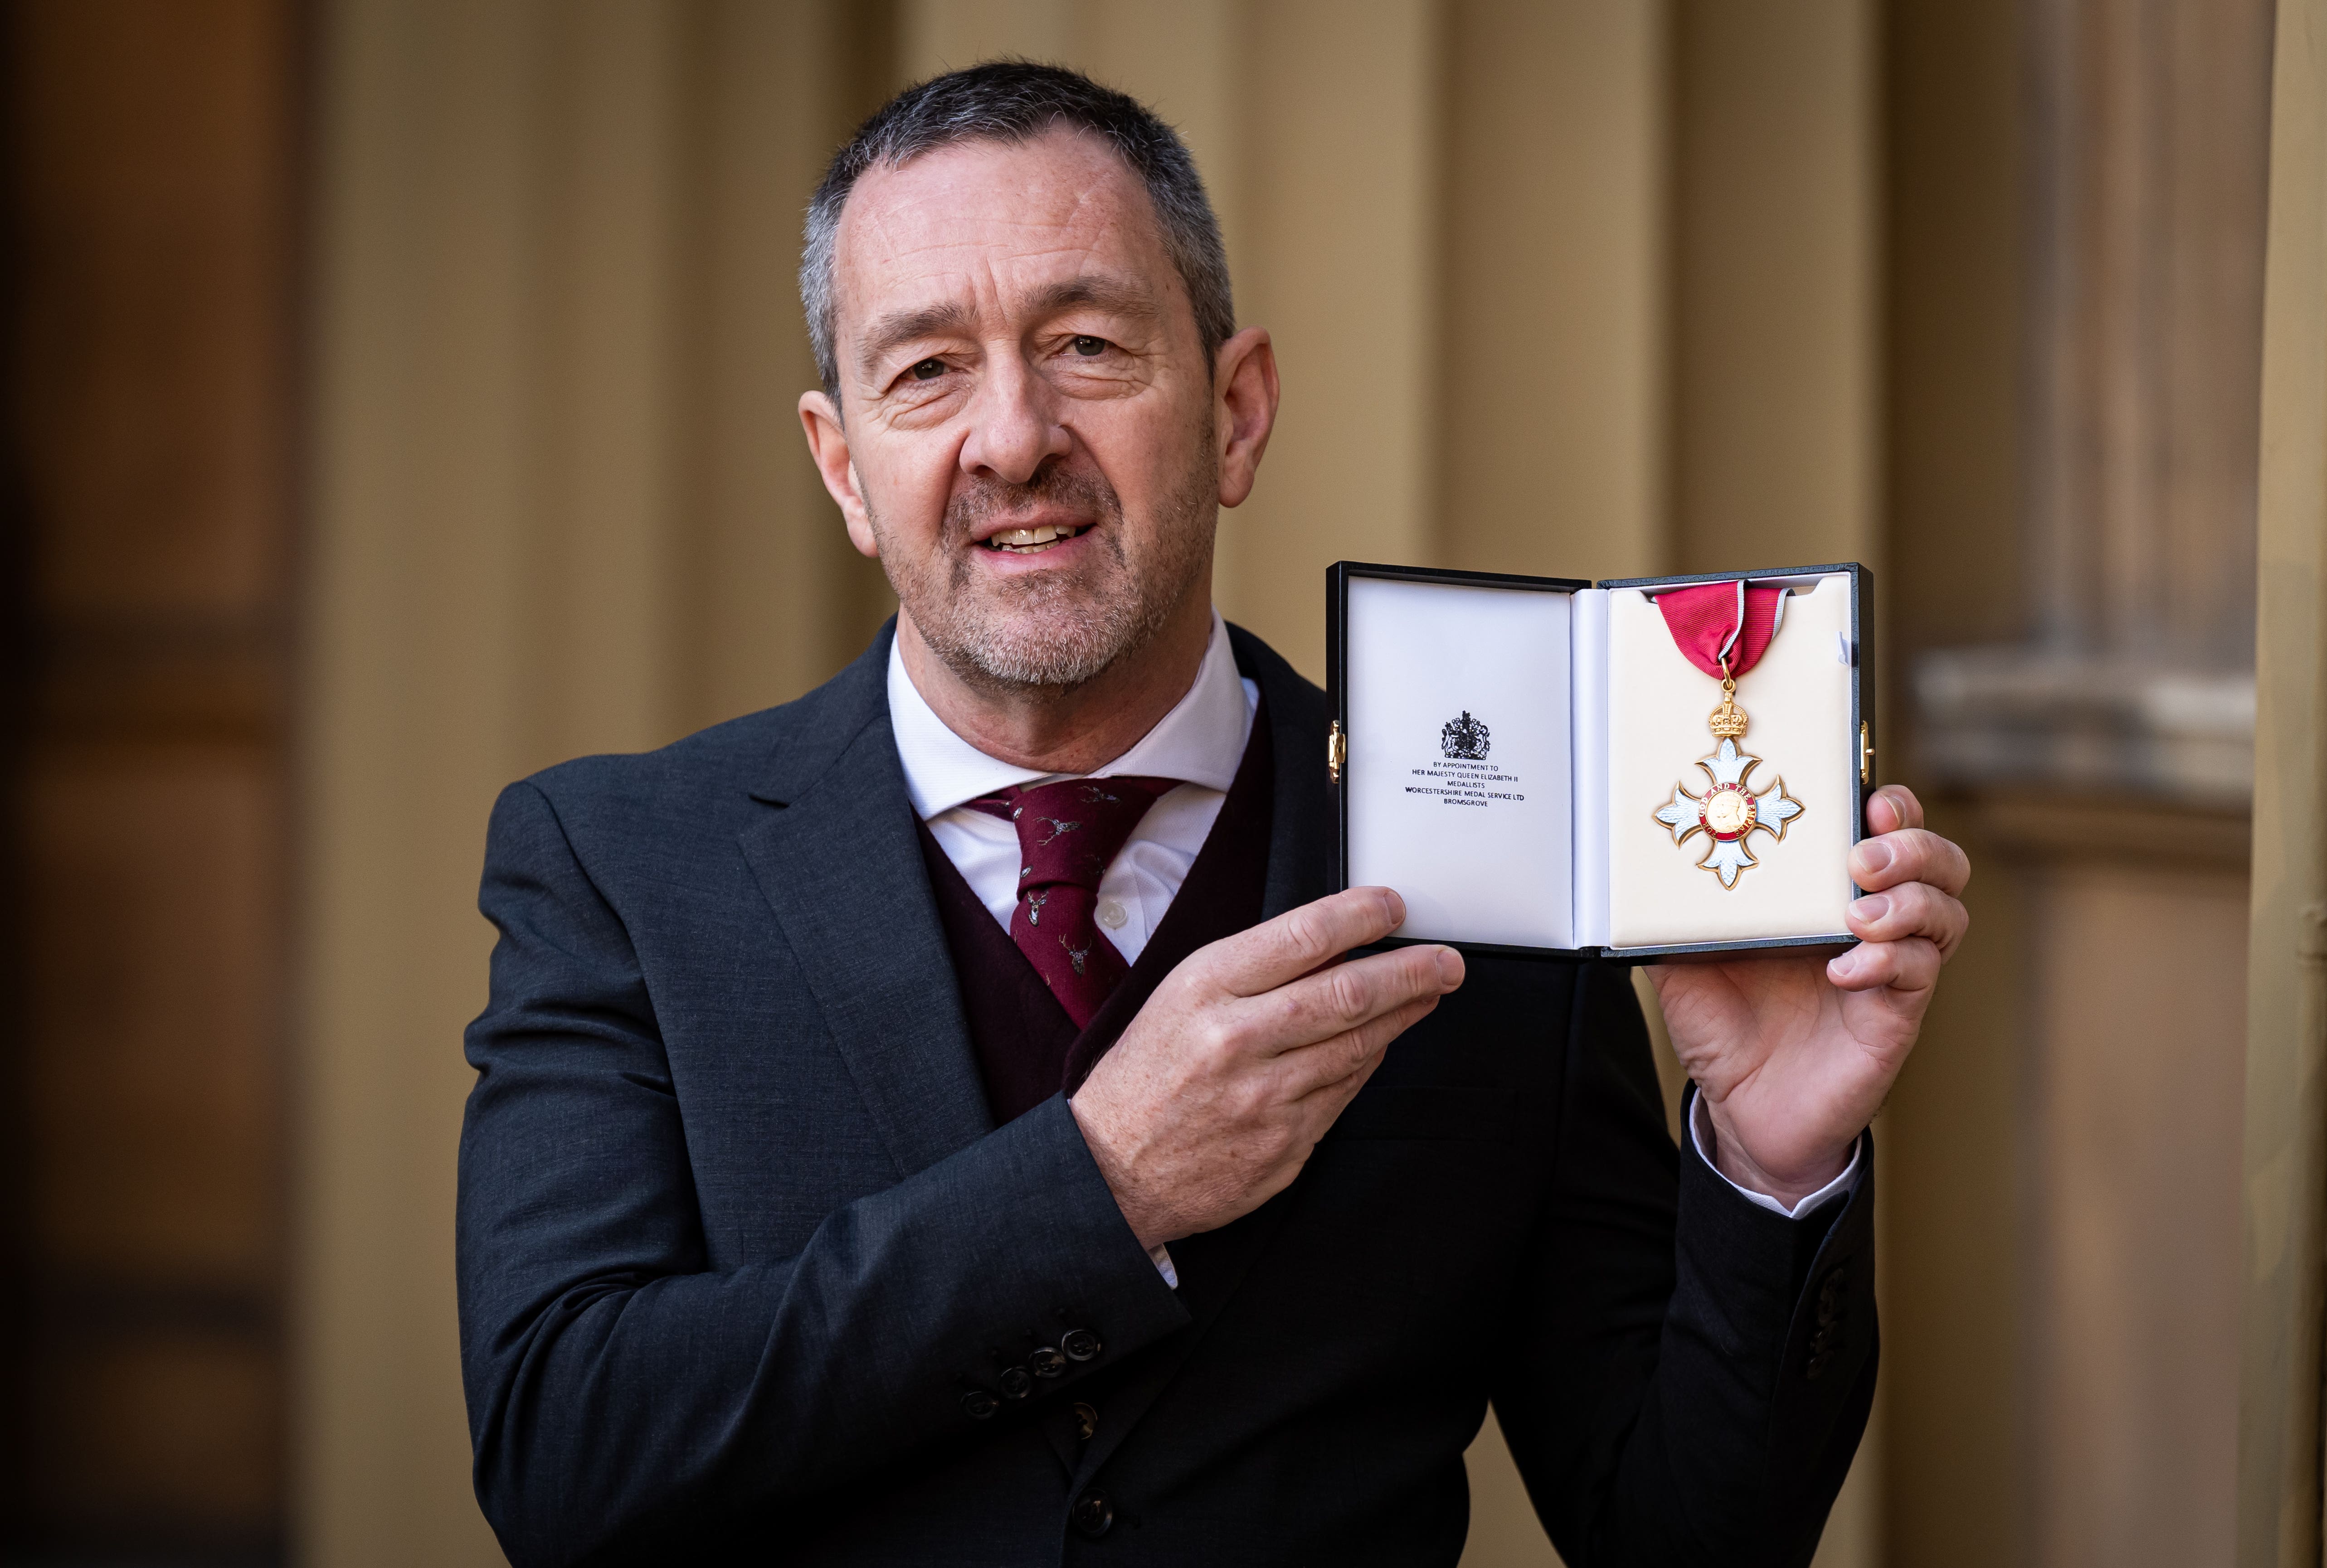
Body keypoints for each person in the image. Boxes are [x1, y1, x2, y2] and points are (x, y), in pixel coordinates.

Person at [457, 61, 1969, 1567]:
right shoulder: (621, 867)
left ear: (1236, 414)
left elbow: (1682, 1540)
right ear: (845, 467)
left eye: (1088, 344)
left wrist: (1766, 1168)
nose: (1009, 437)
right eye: (924, 370)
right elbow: (563, 1456)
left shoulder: (1494, 863)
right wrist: (1101, 1184)